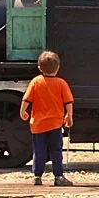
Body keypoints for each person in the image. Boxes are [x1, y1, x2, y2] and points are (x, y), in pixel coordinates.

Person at [20, 51, 75, 186]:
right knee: (56, 150)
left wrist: (22, 111)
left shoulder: (36, 82)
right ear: (57, 68)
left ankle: (37, 177)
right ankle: (58, 176)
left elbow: (26, 99)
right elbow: (68, 102)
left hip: (38, 124)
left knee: (39, 151)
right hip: (55, 123)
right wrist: (69, 116)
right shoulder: (61, 83)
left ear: (39, 67)